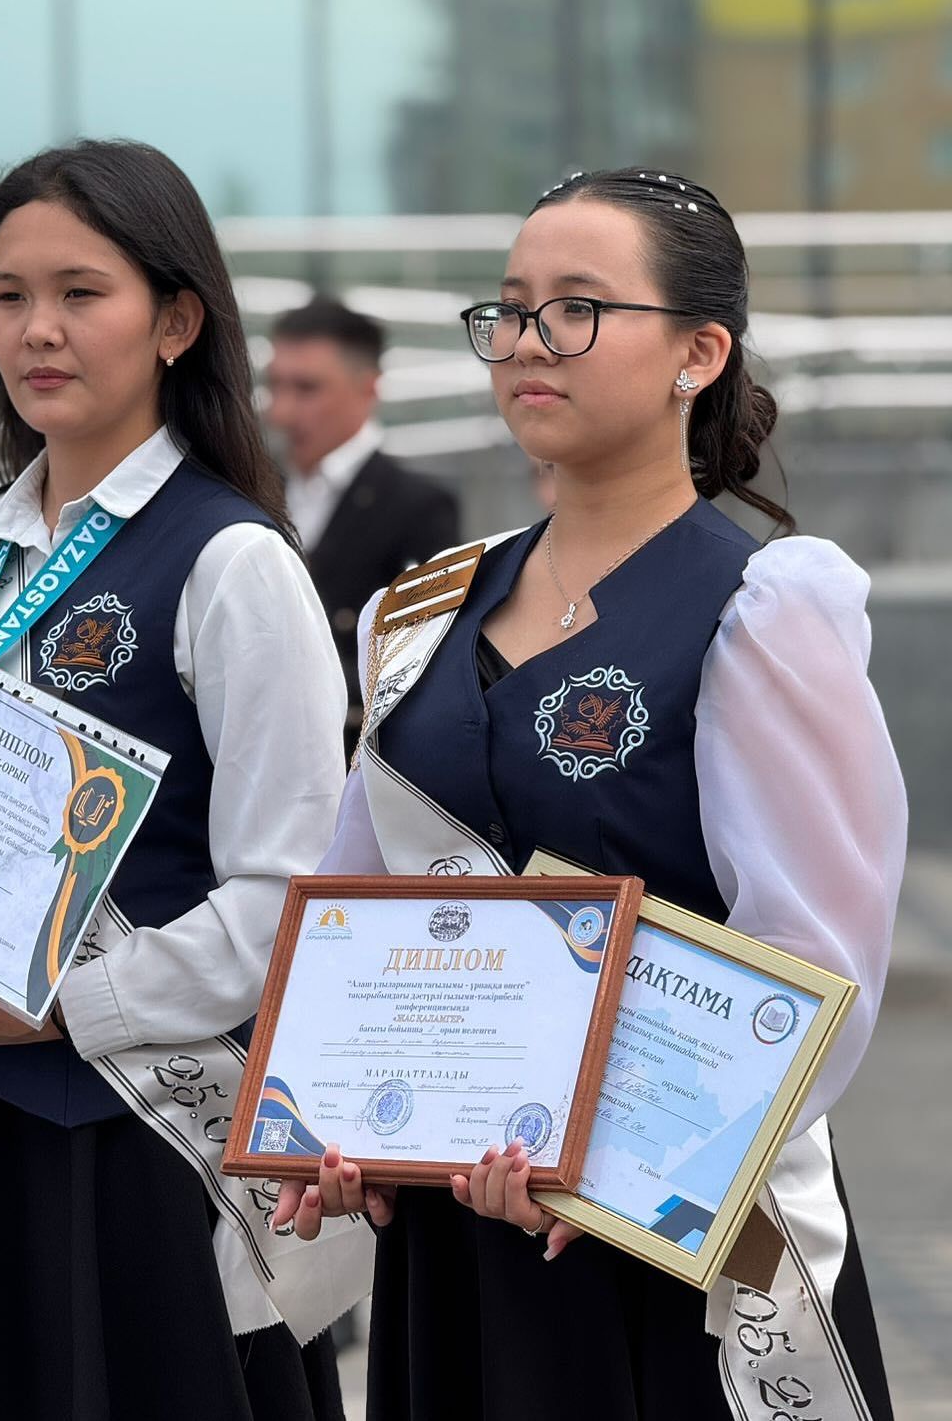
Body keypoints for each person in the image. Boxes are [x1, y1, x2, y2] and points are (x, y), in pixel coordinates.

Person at [273, 168, 904, 1419]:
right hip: (455, 1223)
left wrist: (614, 1159)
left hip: (661, 1234)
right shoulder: (420, 611)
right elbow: (358, 902)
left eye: (577, 308)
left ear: (698, 353)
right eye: (510, 309)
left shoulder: (762, 606)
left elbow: (815, 964)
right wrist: (334, 1129)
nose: (527, 342)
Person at [0, 140, 370, 1421]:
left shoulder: (233, 562)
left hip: (133, 1142)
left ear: (176, 321)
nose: (36, 329)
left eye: (80, 292)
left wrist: (65, 1007)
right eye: (8, 295)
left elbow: (288, 900)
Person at [265, 297, 460, 759]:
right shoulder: (258, 490)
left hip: (354, 760)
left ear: (368, 388)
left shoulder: (419, 508)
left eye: (307, 388)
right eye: (275, 386)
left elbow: (422, 662)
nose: (281, 412)